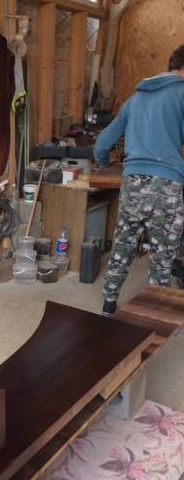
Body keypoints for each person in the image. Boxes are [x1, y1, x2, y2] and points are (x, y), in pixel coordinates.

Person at [94, 45, 184, 315]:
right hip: (167, 184)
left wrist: (105, 165)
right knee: (162, 255)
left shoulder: (135, 99)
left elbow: (102, 143)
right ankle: (155, 313)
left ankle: (109, 305)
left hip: (132, 183)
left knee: (123, 245)